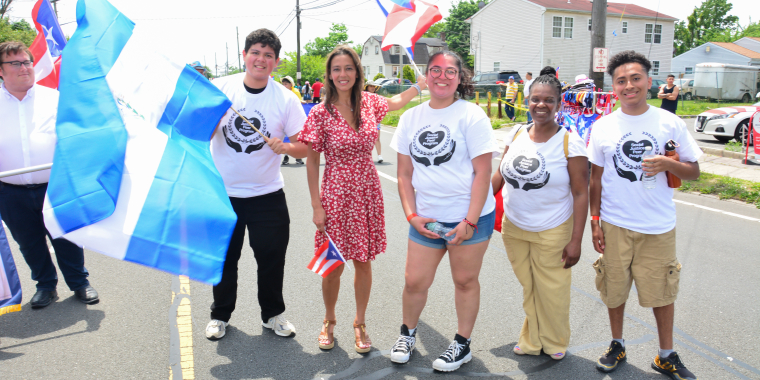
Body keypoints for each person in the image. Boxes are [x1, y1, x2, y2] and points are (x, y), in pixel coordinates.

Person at [300, 45, 427, 353]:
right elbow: (312, 160)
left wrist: (417, 86)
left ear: (357, 72)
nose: (342, 74)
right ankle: (329, 320)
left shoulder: (369, 103)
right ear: (329, 76)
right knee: (332, 266)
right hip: (335, 193)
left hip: (367, 192)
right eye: (336, 69)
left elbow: (395, 102)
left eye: (348, 68)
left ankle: (360, 322)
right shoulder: (320, 113)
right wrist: (317, 205)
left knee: (363, 262)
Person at [588, 50, 701, 380]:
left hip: (658, 226)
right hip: (614, 223)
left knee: (663, 293)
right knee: (613, 288)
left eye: (635, 78)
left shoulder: (670, 122)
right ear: (614, 88)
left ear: (649, 82)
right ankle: (616, 344)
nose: (629, 85)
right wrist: (595, 221)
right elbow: (595, 178)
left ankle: (666, 354)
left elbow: (693, 171)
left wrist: (668, 164)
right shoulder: (603, 127)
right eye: (621, 80)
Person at [388, 50, 498, 372]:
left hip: (470, 216)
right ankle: (407, 334)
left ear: (459, 78)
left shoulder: (472, 116)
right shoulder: (411, 118)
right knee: (414, 281)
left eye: (450, 72)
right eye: (435, 70)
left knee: (464, 280)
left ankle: (462, 344)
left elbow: (482, 173)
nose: (442, 77)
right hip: (427, 217)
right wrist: (411, 216)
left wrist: (469, 221)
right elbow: (404, 175)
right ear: (426, 74)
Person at [205, 29, 307, 341]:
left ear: (275, 62)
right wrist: (213, 121)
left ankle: (273, 314)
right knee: (224, 259)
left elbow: (306, 146)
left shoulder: (286, 99)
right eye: (256, 52)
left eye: (268, 55)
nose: (260, 59)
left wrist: (286, 148)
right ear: (245, 55)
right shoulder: (221, 89)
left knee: (271, 258)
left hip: (267, 195)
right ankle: (220, 315)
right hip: (224, 194)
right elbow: (197, 133)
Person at [491, 74, 588, 361]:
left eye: (548, 100)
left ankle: (554, 340)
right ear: (527, 101)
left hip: (553, 228)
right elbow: (499, 175)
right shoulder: (516, 132)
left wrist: (576, 240)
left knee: (552, 289)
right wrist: (477, 208)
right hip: (515, 226)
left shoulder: (571, 142)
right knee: (530, 285)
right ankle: (533, 339)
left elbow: (582, 193)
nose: (541, 104)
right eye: (535, 99)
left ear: (559, 104)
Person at [0, 41, 99, 308]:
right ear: (1, 70)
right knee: (29, 242)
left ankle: (79, 283)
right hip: (10, 191)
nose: (24, 68)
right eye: (16, 63)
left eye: (27, 62)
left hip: (55, 185)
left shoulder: (54, 99)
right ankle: (45, 285)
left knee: (66, 236)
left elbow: (77, 138)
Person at [280, 75, 306, 165]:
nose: (284, 86)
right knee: (285, 138)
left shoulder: (295, 92)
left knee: (296, 138)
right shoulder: (281, 93)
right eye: (283, 84)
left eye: (286, 84)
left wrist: (302, 102)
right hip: (284, 117)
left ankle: (298, 158)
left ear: (291, 84)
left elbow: (299, 101)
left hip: (294, 118)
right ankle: (286, 157)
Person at [364, 79, 384, 163]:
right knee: (366, 138)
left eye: (373, 86)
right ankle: (366, 156)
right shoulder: (363, 96)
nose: (373, 88)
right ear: (367, 87)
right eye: (371, 86)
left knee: (377, 138)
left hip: (376, 119)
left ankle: (379, 155)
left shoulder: (377, 97)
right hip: (366, 119)